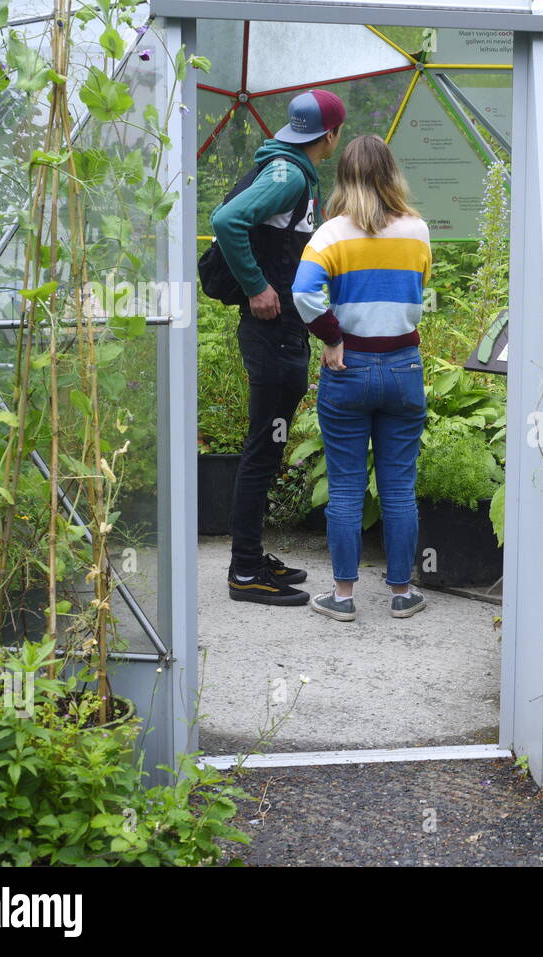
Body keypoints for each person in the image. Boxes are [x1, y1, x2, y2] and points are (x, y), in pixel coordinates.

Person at [211, 89, 345, 606]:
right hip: (272, 331)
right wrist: (256, 286)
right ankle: (245, 572)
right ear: (329, 135)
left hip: (281, 331)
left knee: (265, 447)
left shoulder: (288, 170)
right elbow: (226, 223)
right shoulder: (288, 175)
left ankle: (251, 554)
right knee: (261, 451)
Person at [291, 134, 431, 623]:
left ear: (344, 177)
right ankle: (401, 593)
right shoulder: (417, 230)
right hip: (402, 367)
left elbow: (303, 294)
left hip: (346, 370)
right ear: (391, 173)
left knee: (347, 487)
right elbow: (419, 285)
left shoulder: (329, 234)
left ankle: (344, 596)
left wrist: (332, 336)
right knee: (398, 487)